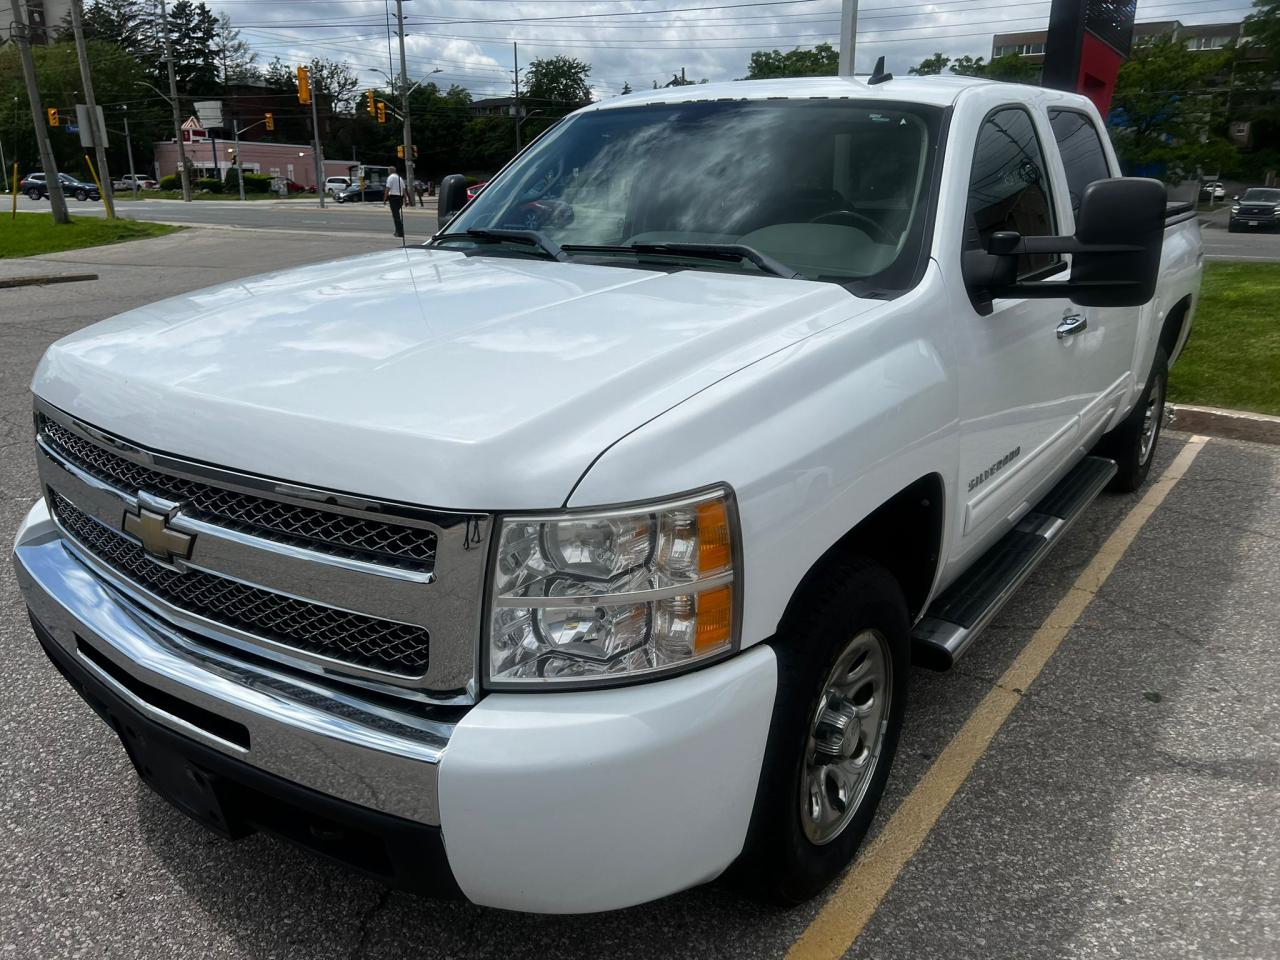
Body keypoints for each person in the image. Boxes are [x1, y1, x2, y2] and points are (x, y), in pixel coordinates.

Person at [383, 167, 406, 238]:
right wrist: (406, 200)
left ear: (390, 171)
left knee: (396, 216)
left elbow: (388, 188)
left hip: (393, 198)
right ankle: (398, 231)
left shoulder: (390, 178)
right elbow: (404, 189)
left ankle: (400, 232)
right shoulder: (400, 178)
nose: (388, 172)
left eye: (388, 171)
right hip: (400, 198)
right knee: (397, 215)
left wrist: (385, 198)